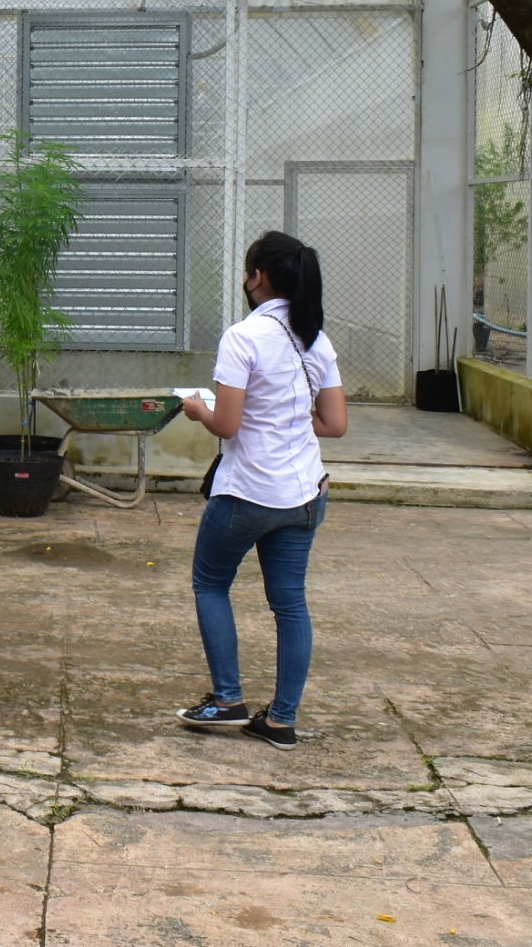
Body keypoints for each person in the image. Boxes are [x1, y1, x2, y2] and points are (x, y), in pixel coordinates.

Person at [176, 230, 348, 750]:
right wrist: (284, 417)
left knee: (211, 583)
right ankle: (281, 720)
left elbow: (226, 424)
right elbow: (335, 424)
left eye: (248, 272)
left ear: (258, 277)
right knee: (290, 604)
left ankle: (228, 699)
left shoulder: (243, 337)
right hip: (304, 494)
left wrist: (197, 409)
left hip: (248, 492)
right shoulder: (316, 340)